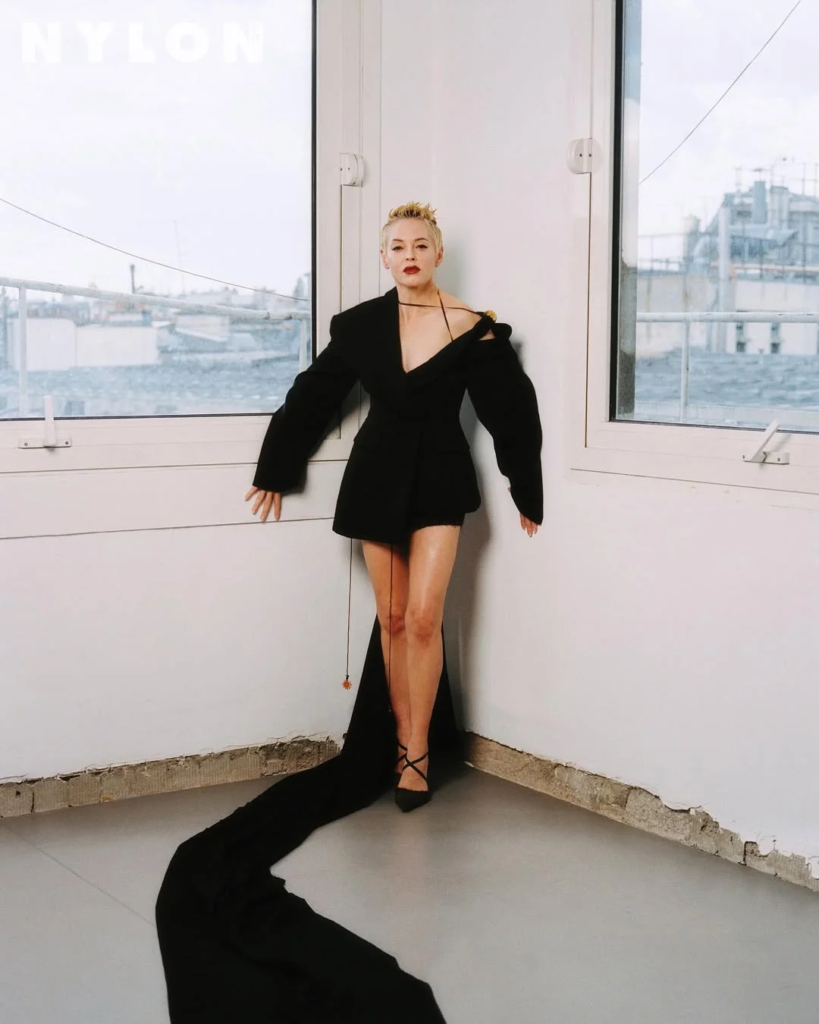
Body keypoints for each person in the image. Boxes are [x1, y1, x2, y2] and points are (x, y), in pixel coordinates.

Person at [243, 201, 543, 812]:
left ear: (438, 254)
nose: (410, 255)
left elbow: (511, 410)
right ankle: (402, 743)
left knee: (426, 618)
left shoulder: (473, 326)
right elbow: (313, 396)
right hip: (375, 474)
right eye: (399, 247)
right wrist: (274, 468)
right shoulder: (360, 325)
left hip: (441, 475)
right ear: (384, 258)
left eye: (421, 245)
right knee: (395, 617)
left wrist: (526, 487)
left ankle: (418, 753)